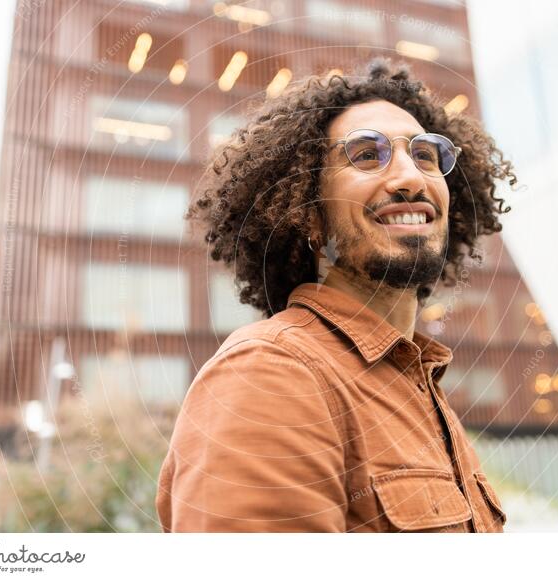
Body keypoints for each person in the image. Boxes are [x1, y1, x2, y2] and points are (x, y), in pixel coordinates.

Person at [156, 58, 516, 532]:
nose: (412, 177)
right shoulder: (271, 374)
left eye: (426, 155)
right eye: (367, 155)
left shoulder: (421, 389)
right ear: (308, 212)